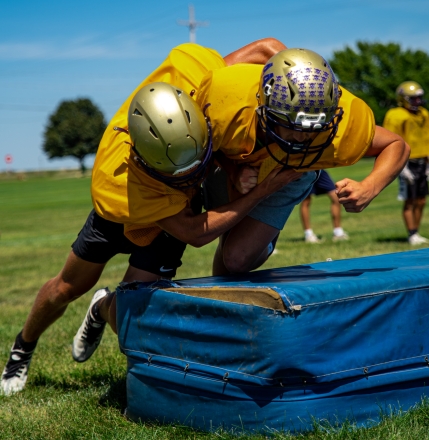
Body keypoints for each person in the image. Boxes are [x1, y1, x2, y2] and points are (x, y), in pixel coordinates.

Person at [0, 39, 299, 396]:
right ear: (143, 157)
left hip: (175, 210)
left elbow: (267, 48)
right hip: (139, 209)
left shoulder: (199, 78)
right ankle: (23, 346)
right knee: (68, 286)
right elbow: (194, 232)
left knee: (137, 311)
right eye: (177, 171)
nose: (190, 176)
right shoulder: (119, 181)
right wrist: (261, 191)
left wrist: (303, 80)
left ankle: (103, 308)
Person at [194, 48, 410, 275]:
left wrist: (370, 186)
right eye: (292, 125)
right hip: (233, 158)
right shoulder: (226, 102)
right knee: (225, 235)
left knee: (237, 259)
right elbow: (270, 45)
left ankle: (264, 240)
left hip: (291, 172)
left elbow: (397, 145)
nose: (301, 138)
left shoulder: (346, 122)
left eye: (314, 129)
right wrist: (231, 170)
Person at [382, 81, 429, 245]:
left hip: (421, 160)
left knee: (422, 199)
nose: (417, 102)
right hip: (406, 161)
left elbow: (427, 138)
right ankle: (411, 234)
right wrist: (401, 166)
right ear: (403, 98)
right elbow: (391, 141)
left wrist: (428, 162)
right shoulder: (395, 115)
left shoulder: (423, 114)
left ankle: (416, 232)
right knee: (409, 199)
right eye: (413, 98)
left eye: (419, 98)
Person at [300, 170, 349, 243]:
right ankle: (308, 235)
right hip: (305, 171)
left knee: (335, 197)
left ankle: (338, 233)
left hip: (319, 170)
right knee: (306, 201)